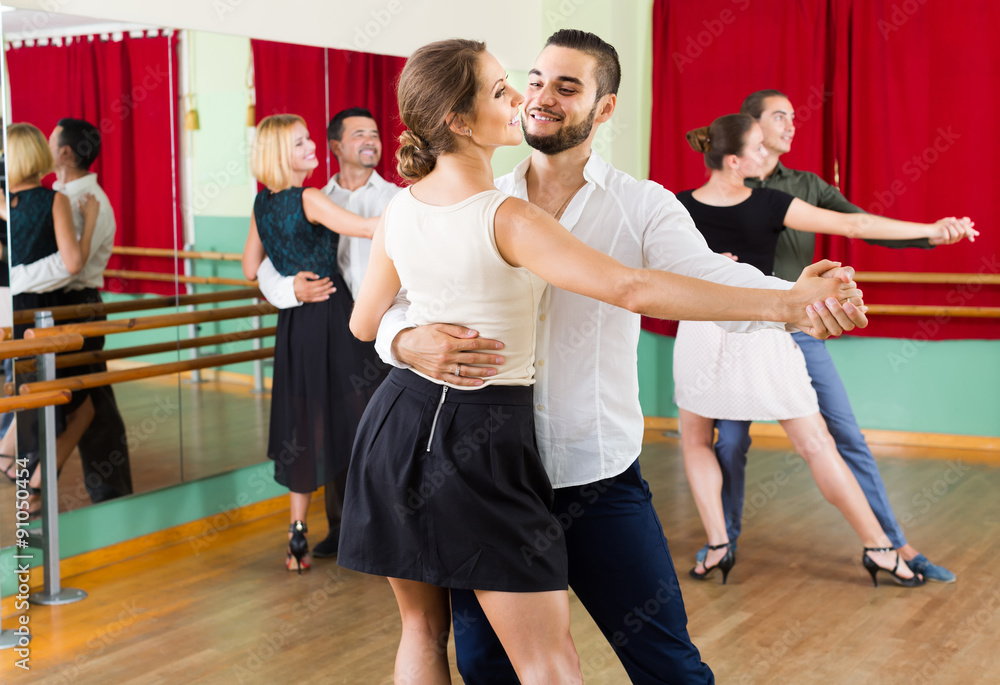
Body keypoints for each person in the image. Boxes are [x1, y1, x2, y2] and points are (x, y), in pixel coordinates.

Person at [368, 32, 867, 685]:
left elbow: (696, 278)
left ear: (604, 110)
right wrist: (403, 341)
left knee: (670, 668)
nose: (540, 98)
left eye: (566, 87)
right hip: (482, 476)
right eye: (536, 79)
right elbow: (398, 302)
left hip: (594, 474)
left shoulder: (641, 204)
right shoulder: (477, 193)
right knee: (488, 667)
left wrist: (796, 300)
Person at [674, 113, 976, 586]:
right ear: (733, 161)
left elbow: (647, 265)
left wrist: (708, 268)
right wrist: (932, 231)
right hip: (761, 326)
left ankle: (718, 544)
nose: (767, 156)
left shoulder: (676, 207)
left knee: (699, 440)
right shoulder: (770, 202)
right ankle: (879, 547)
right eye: (758, 148)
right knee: (814, 443)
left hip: (699, 329)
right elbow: (851, 226)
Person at [255, 107, 400, 558]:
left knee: (314, 419)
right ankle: (348, 530)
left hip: (301, 327)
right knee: (352, 419)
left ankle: (304, 532)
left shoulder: (262, 201)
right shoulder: (315, 195)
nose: (310, 147)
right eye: (300, 143)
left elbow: (249, 264)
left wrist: (289, 284)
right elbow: (363, 228)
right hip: (334, 319)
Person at [6, 118, 134, 505]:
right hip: (52, 306)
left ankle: (51, 486)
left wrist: (14, 279)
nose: (46, 143)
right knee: (73, 403)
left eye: (51, 139)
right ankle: (33, 484)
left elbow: (64, 265)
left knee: (84, 405)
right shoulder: (57, 194)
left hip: (73, 307)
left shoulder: (77, 201)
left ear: (62, 152)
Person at [2, 122, 99, 516]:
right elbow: (74, 262)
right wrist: (89, 222)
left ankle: (28, 480)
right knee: (53, 403)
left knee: (31, 399)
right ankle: (29, 482)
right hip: (44, 311)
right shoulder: (54, 201)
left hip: (9, 308)